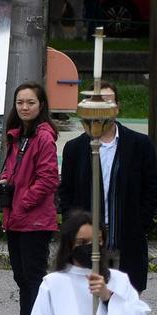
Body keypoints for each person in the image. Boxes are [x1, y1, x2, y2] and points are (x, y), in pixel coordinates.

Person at [57, 81, 155, 297]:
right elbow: (66, 192)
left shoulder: (140, 145)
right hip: (88, 235)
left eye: (109, 100)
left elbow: (151, 187)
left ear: (117, 107)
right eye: (98, 100)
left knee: (126, 299)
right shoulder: (75, 148)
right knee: (88, 298)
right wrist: (74, 225)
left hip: (127, 233)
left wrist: (142, 223)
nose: (103, 106)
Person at [0, 81, 61, 315]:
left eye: (30, 102)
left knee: (33, 279)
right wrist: (3, 184)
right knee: (22, 279)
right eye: (20, 102)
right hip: (16, 218)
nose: (24, 107)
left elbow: (48, 179)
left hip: (34, 221)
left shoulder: (44, 137)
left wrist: (22, 202)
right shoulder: (18, 136)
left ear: (41, 106)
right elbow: (18, 173)